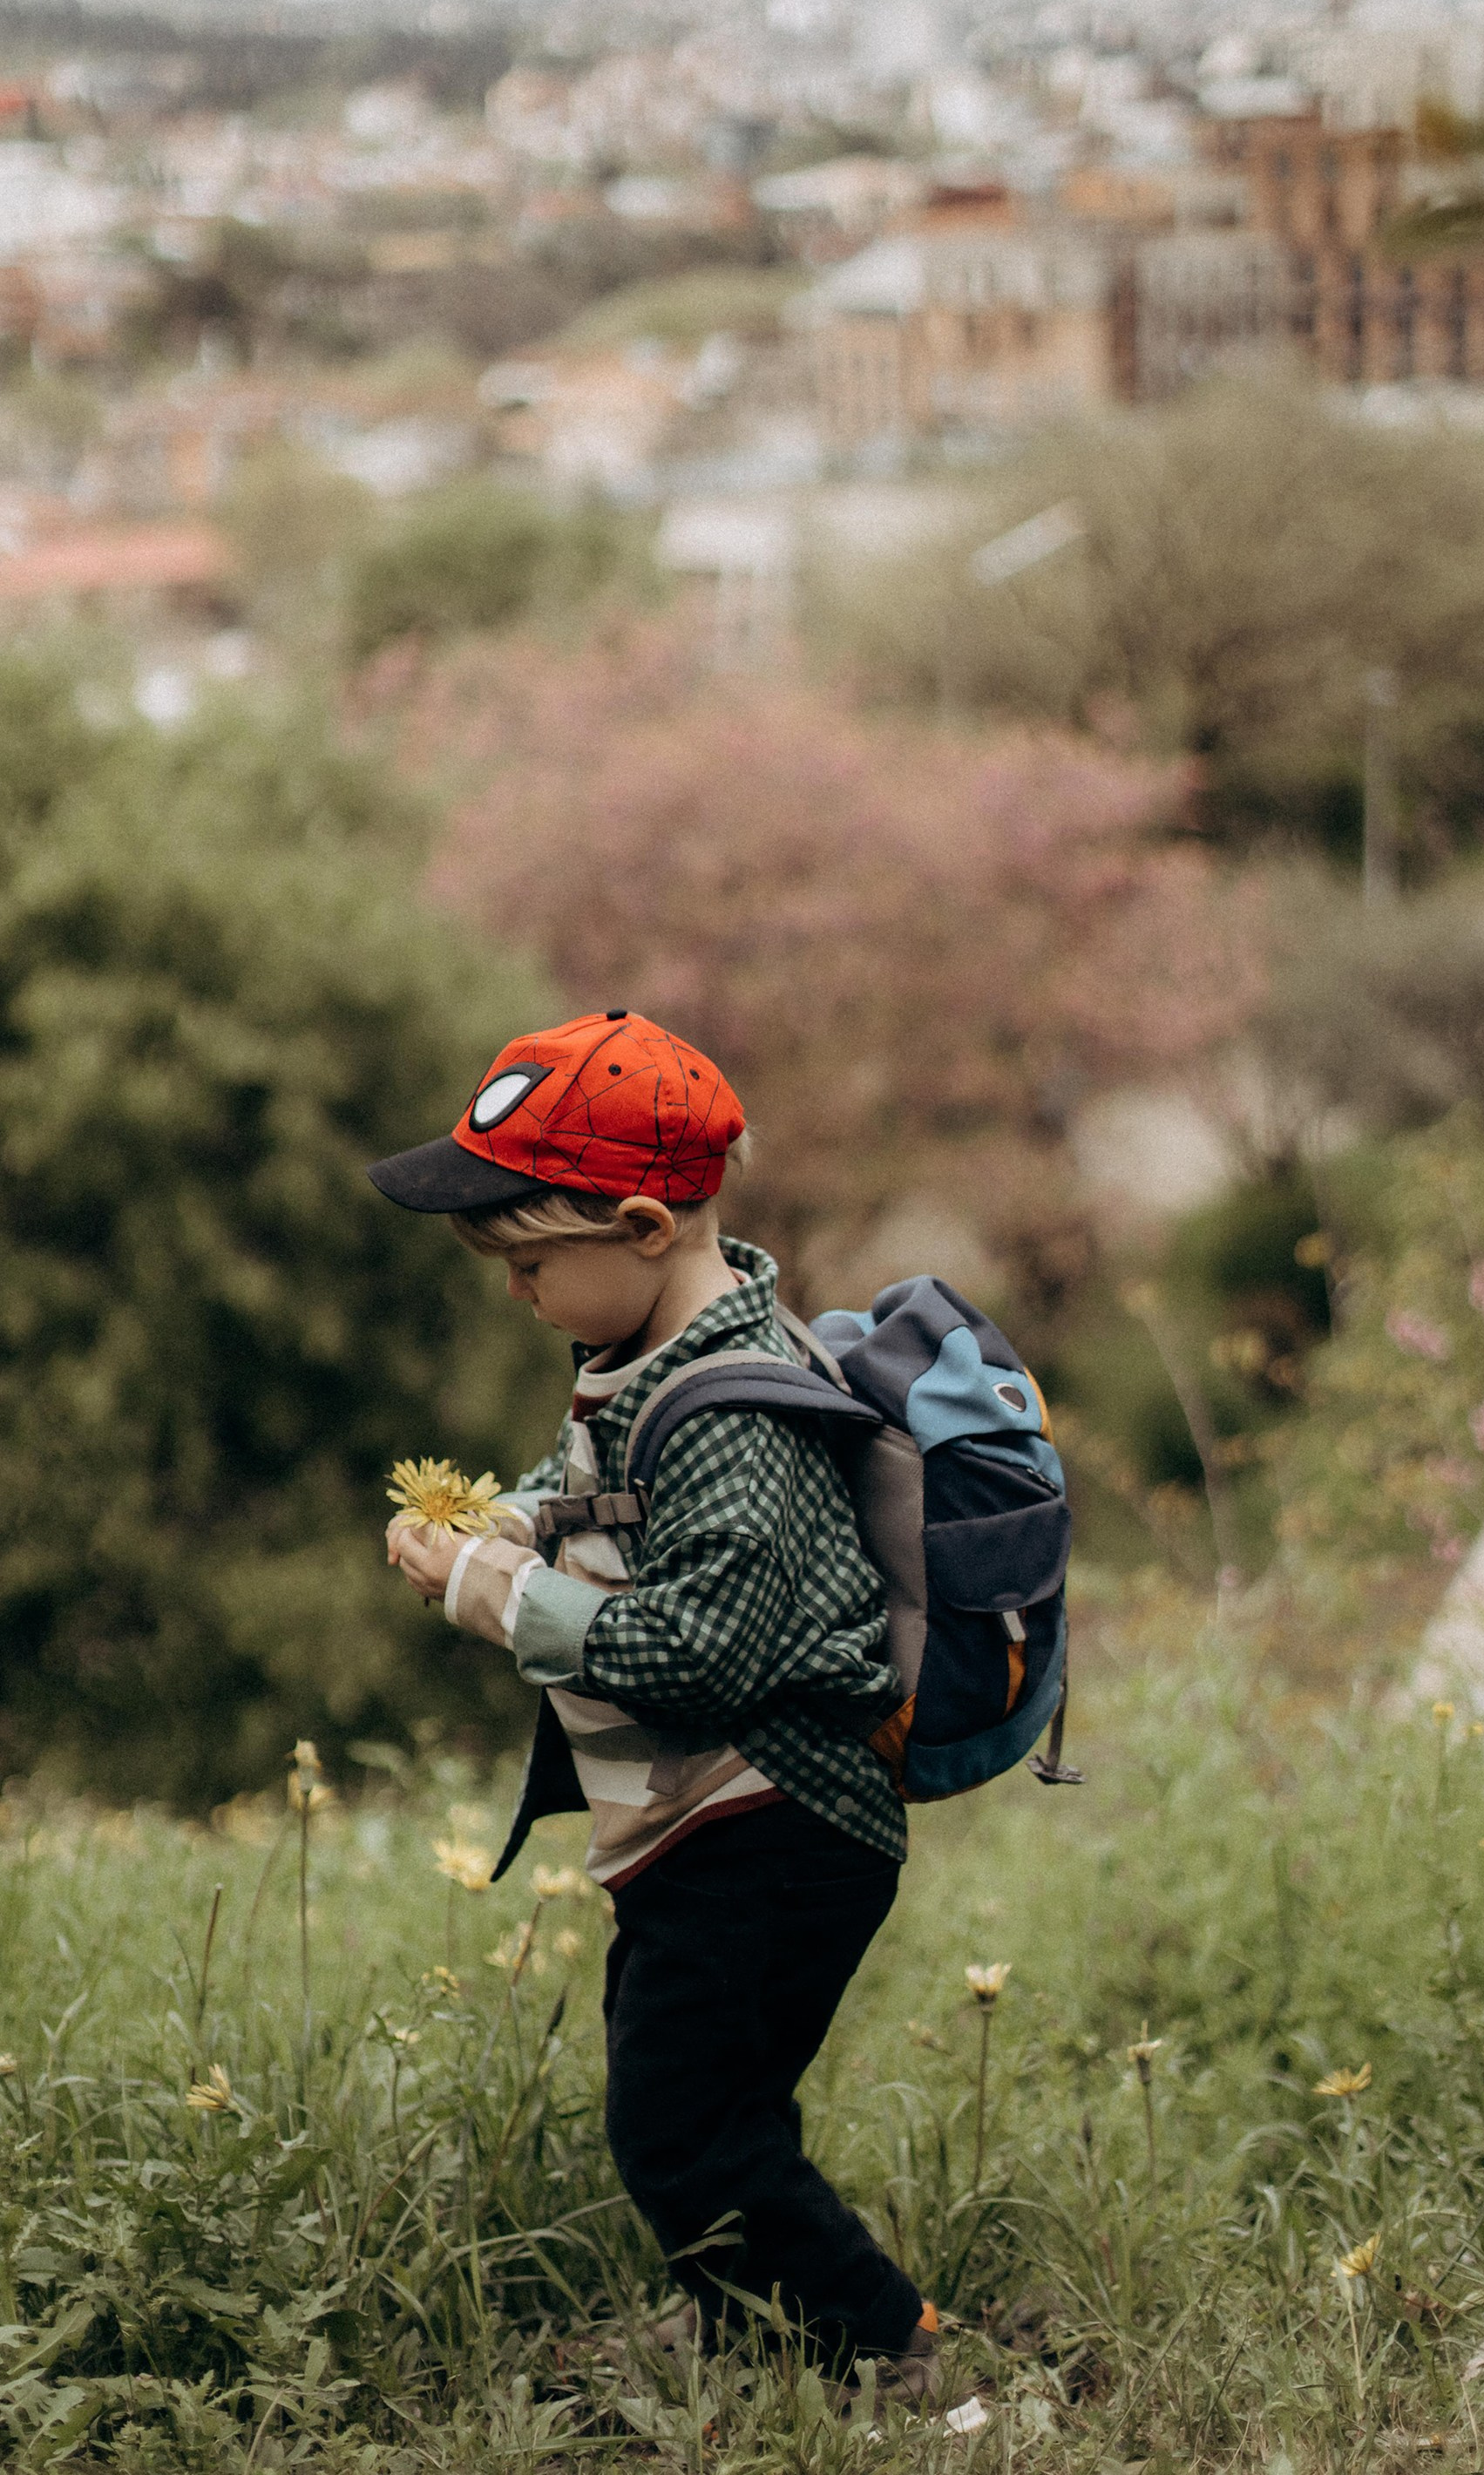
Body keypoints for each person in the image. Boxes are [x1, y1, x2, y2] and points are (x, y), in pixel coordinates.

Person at [369, 1009, 940, 2400]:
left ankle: (885, 2347)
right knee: (703, 2101)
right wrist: (502, 1522)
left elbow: (702, 1652)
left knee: (683, 2125)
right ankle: (753, 2326)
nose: (515, 1294)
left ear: (638, 1226)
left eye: (527, 1264)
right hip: (707, 1825)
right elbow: (598, 1486)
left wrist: (490, 1598)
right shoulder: (656, 1356)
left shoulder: (737, 1412)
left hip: (781, 1823)